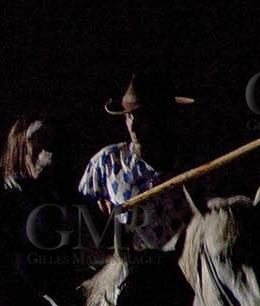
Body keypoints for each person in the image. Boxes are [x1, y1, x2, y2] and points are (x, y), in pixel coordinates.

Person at [78, 70, 195, 252]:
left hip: (186, 263)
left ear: (164, 117)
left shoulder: (191, 162)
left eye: (143, 116)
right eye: (129, 116)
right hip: (134, 265)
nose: (133, 125)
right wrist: (98, 215)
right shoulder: (106, 163)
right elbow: (78, 217)